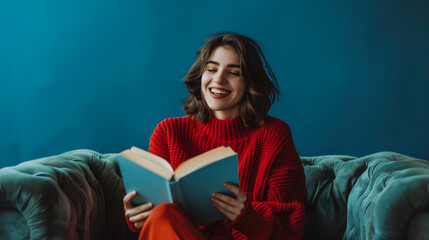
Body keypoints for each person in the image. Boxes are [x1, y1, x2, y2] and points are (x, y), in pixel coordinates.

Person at [123, 32, 306, 240]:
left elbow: (291, 228)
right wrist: (139, 214)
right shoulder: (168, 132)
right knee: (163, 215)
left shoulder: (274, 135)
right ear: (201, 74)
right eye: (211, 69)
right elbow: (157, 220)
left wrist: (247, 215)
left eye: (234, 73)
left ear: (249, 82)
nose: (218, 79)